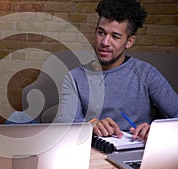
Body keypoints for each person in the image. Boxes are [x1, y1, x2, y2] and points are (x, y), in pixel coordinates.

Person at [56, 0, 178, 142]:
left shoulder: (146, 73)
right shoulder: (74, 77)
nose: (105, 42)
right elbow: (63, 125)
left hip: (139, 152)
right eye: (101, 33)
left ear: (129, 41)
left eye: (115, 36)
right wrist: (90, 125)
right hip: (95, 152)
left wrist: (157, 130)